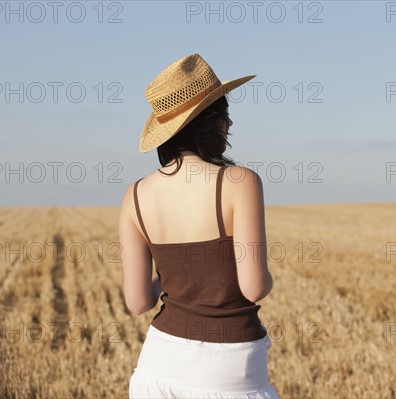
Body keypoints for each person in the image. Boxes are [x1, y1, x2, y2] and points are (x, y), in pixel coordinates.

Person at [119, 54, 278, 398]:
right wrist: (268, 275)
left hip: (158, 365)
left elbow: (137, 302)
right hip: (230, 369)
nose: (230, 124)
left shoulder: (134, 195)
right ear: (209, 122)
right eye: (224, 115)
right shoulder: (240, 182)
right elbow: (254, 287)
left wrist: (180, 269)